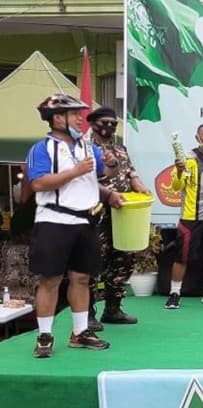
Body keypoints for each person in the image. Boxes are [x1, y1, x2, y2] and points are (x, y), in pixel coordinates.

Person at [27, 93, 123, 358]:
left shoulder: (86, 146)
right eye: (75, 115)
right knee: (50, 280)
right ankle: (44, 335)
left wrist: (112, 167)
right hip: (53, 220)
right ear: (57, 118)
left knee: (82, 278)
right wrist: (75, 171)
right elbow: (37, 183)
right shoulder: (42, 148)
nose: (82, 121)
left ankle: (80, 333)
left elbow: (102, 174)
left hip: (85, 219)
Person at [85, 106, 148, 332]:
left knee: (123, 258)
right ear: (93, 124)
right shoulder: (85, 148)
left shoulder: (120, 149)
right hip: (97, 211)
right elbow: (83, 180)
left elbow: (130, 173)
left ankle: (113, 308)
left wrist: (140, 186)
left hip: (124, 212)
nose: (110, 127)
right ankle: (88, 313)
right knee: (94, 261)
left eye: (113, 123)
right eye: (105, 122)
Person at [164, 124, 203, 309]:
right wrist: (181, 170)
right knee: (181, 257)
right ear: (197, 137)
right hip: (190, 216)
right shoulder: (185, 159)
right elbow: (176, 187)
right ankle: (174, 293)